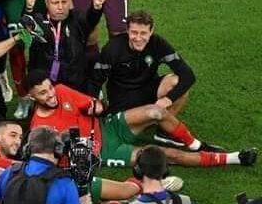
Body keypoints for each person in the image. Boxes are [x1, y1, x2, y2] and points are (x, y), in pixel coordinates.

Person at [25, 69, 258, 168]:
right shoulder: (39, 128)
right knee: (166, 155)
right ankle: (234, 158)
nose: (51, 95)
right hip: (104, 151)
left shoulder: (62, 90)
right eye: (43, 93)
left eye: (50, 88)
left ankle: (196, 144)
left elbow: (95, 105)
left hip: (107, 127)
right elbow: (57, 161)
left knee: (156, 112)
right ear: (31, 97)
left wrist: (97, 107)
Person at [89, 10, 196, 116]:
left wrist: (168, 99)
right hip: (122, 98)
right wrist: (95, 102)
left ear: (151, 31)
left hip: (149, 90)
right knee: (144, 119)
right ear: (127, 30)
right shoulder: (113, 48)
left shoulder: (158, 44)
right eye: (134, 32)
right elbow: (95, 80)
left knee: (176, 82)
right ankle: (136, 117)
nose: (138, 38)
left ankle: (162, 125)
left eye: (143, 33)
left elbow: (188, 75)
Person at [27, 0, 105, 92]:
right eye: (55, 3)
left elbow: (90, 19)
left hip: (75, 82)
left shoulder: (77, 20)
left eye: (64, 2)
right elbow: (24, 29)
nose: (60, 7)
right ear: (46, 3)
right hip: (46, 83)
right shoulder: (38, 21)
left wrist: (96, 8)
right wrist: (28, 8)